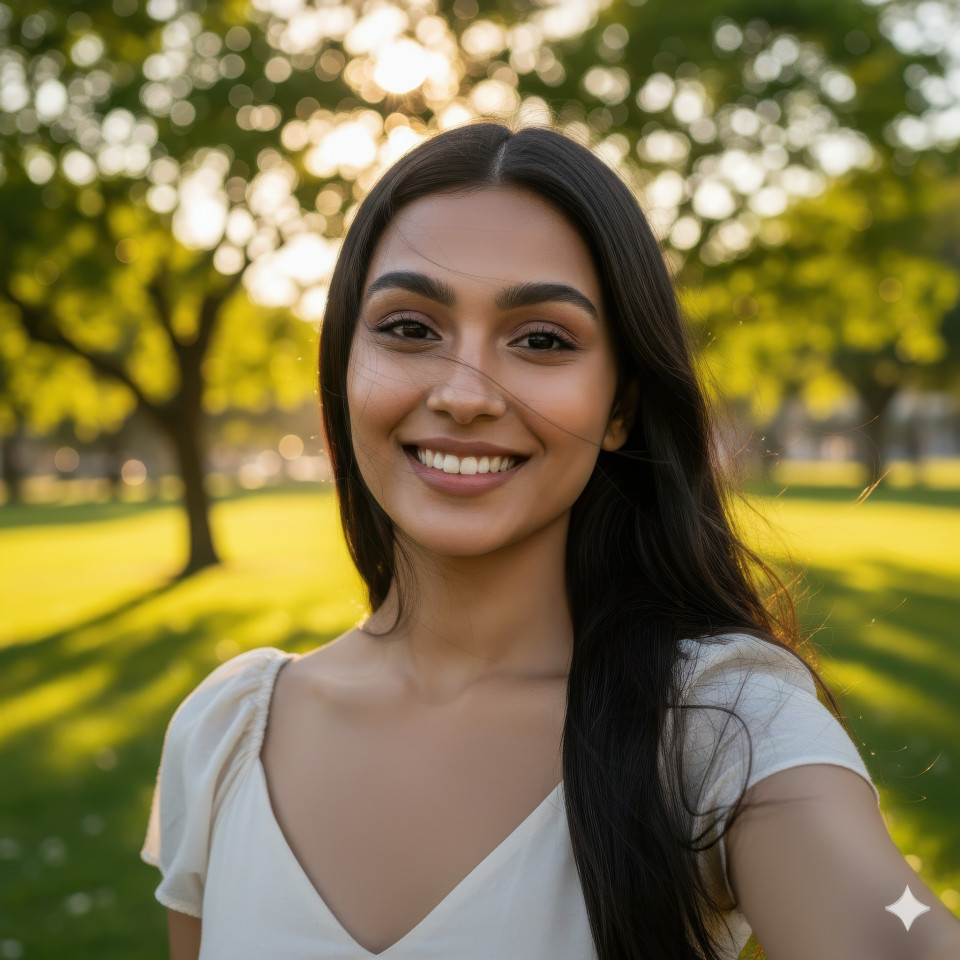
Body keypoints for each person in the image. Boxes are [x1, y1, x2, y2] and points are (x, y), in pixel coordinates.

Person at [140, 120, 960, 960]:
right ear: (343, 366)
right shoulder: (222, 734)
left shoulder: (717, 726)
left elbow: (890, 922)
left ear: (619, 408)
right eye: (410, 329)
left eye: (542, 340)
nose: (464, 394)